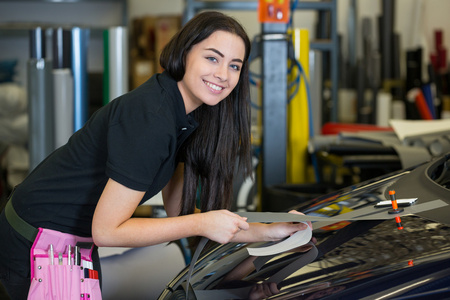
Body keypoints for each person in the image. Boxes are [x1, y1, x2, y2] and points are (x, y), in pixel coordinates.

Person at [0, 11, 309, 299]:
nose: (223, 74)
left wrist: (267, 233)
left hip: (74, 241)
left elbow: (179, 211)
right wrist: (203, 224)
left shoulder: (188, 115)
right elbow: (108, 231)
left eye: (234, 65)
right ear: (185, 53)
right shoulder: (152, 117)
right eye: (212, 58)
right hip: (38, 239)